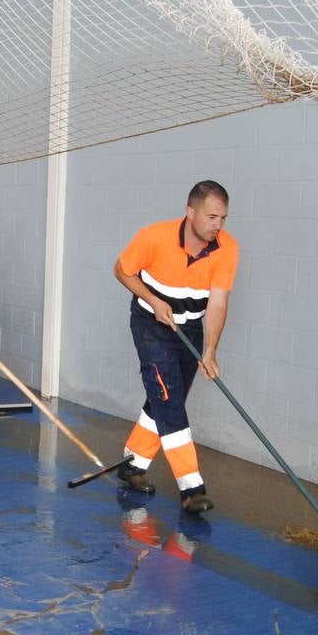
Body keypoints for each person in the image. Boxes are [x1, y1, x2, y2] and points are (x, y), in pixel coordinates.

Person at [113, 180, 238, 514]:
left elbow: (218, 304)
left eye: (223, 218)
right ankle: (191, 487)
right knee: (168, 396)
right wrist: (153, 301)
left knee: (169, 397)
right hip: (151, 323)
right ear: (190, 212)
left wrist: (210, 349)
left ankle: (133, 465)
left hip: (192, 326)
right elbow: (122, 271)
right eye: (212, 217)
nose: (218, 225)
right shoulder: (153, 236)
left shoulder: (227, 248)